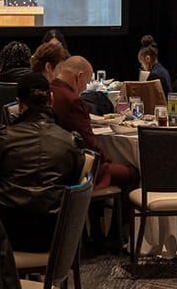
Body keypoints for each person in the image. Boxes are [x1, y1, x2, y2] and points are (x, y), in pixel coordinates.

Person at [0, 73, 84, 251]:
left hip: (6, 235)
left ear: (19, 105)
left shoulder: (4, 138)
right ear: (51, 99)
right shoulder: (71, 141)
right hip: (54, 236)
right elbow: (74, 185)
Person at [50, 55, 138, 191]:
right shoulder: (73, 100)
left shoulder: (49, 90)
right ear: (78, 76)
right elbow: (87, 142)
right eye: (85, 84)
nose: (84, 88)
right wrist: (108, 159)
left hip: (54, 162)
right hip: (76, 167)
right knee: (132, 173)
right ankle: (118, 213)